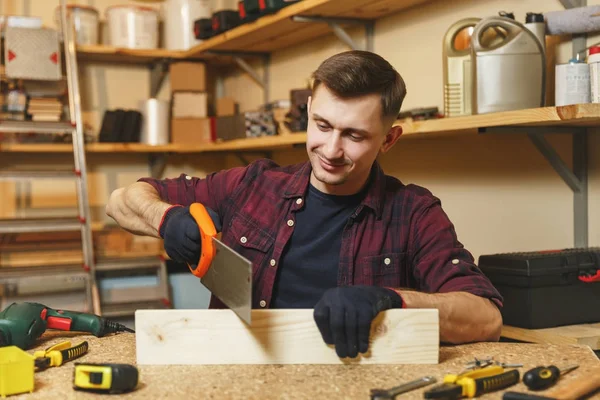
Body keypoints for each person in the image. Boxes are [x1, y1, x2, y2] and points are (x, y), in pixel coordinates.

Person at [106, 50, 503, 359]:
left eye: (355, 135)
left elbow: (486, 318)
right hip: (235, 376)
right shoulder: (252, 183)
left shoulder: (413, 212)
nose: (331, 150)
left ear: (389, 139)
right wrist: (166, 218)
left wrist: (395, 300)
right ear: (310, 110)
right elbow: (121, 201)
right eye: (323, 126)